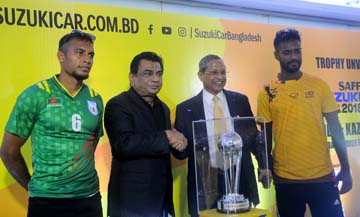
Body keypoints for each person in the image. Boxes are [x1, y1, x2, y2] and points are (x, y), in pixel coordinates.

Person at [0, 30, 103, 217]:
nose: (87, 60)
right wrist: (33, 187)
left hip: (89, 198)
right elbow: (8, 151)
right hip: (47, 201)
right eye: (79, 53)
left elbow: (91, 144)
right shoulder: (36, 95)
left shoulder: (95, 99)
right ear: (60, 56)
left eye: (91, 55)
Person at [257, 28, 353, 217]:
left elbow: (336, 130)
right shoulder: (267, 92)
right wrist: (265, 167)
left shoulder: (319, 86)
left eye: (297, 51)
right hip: (286, 180)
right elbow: (265, 137)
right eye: (287, 52)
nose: (293, 57)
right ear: (276, 55)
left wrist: (346, 168)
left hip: (323, 178)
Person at [173, 54, 269, 217]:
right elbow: (181, 154)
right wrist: (177, 144)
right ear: (200, 75)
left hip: (240, 179)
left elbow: (252, 138)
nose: (220, 77)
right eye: (214, 72)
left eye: (223, 72)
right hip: (206, 183)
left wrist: (264, 165)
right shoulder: (185, 109)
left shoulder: (240, 100)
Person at [104, 51, 187, 217]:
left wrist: (181, 143)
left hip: (161, 200)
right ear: (132, 78)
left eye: (159, 74)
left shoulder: (162, 108)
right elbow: (124, 144)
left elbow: (170, 147)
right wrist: (166, 137)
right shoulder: (118, 105)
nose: (156, 79)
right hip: (131, 202)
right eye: (148, 74)